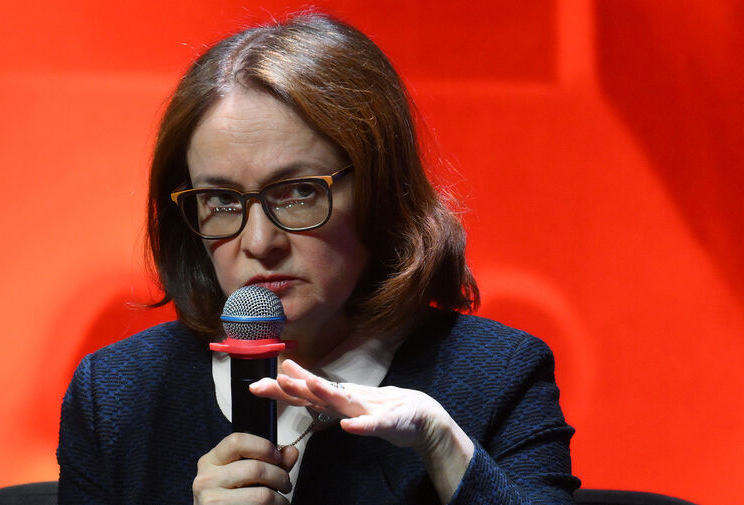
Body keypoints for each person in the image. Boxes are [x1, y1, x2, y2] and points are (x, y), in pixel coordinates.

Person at [57, 13, 580, 505]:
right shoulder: (117, 393)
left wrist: (445, 447)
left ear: (380, 193)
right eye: (221, 201)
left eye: (299, 192)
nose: (259, 241)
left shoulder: (499, 374)